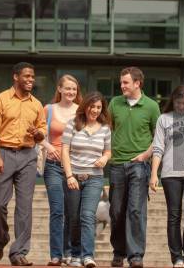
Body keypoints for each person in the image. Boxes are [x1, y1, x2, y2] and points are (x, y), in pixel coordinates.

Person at [0, 62, 47, 266]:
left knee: (24, 207)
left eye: (33, 77)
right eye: (27, 76)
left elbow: (41, 131)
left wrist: (37, 134)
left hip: (28, 155)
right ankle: (0, 240)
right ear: (16, 77)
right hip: (3, 152)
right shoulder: (0, 100)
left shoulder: (36, 104)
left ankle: (18, 252)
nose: (31, 80)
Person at [149, 85, 184, 268]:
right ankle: (177, 257)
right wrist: (153, 174)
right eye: (178, 102)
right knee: (174, 215)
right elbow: (158, 147)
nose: (182, 106)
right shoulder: (163, 119)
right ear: (173, 101)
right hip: (170, 173)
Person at [108, 67, 161, 268]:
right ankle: (118, 252)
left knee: (136, 211)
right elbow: (107, 130)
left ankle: (136, 256)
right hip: (116, 165)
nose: (122, 86)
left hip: (139, 165)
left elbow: (159, 137)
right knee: (116, 211)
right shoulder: (114, 103)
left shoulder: (151, 106)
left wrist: (146, 155)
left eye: (126, 83)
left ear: (137, 83)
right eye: (121, 82)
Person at [62, 91, 112, 268]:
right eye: (93, 106)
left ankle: (88, 255)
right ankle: (75, 255)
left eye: (99, 107)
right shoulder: (73, 125)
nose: (96, 110)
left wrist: (105, 159)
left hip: (95, 178)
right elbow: (65, 151)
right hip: (73, 176)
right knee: (74, 217)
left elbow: (107, 150)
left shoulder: (105, 128)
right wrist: (69, 175)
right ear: (86, 107)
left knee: (88, 216)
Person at [42, 75, 82, 266]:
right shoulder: (49, 109)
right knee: (57, 210)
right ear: (59, 89)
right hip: (52, 166)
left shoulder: (81, 111)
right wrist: (48, 146)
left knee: (72, 212)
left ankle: (69, 251)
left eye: (74, 89)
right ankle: (56, 254)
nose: (71, 92)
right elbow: (36, 133)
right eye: (67, 88)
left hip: (74, 166)